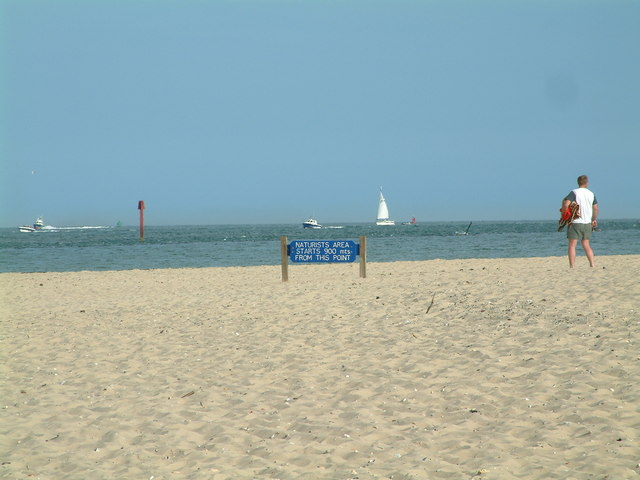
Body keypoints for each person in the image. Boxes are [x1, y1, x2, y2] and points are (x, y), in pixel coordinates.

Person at [560, 175, 598, 268]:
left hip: (576, 222)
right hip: (587, 223)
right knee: (586, 244)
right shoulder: (591, 193)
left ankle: (572, 266)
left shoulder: (574, 192)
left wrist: (564, 213)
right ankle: (592, 264)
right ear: (587, 183)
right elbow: (596, 208)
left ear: (578, 182)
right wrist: (593, 219)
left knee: (572, 245)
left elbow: (566, 204)